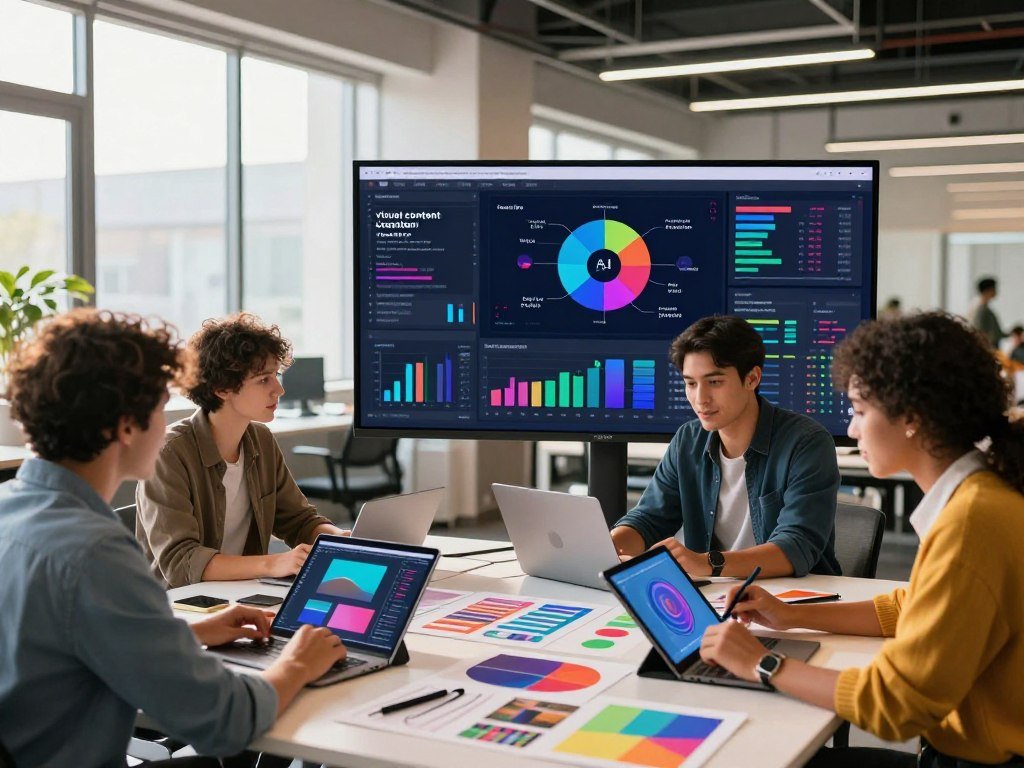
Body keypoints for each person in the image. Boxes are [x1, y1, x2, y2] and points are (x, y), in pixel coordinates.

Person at [0, 309, 347, 768]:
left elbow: (64, 638)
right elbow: (225, 719)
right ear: (127, 426)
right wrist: (300, 662)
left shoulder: (10, 508)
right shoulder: (95, 552)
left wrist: (186, 631)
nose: (168, 424)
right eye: (162, 408)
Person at [699, 312, 1024, 767]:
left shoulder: (972, 522)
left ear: (911, 416)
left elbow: (896, 705)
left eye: (860, 411)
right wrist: (787, 617)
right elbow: (911, 607)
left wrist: (762, 663)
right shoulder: (981, 496)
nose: (851, 430)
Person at [611, 315, 840, 579]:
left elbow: (796, 546)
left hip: (795, 599)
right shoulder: (688, 439)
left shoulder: (806, 443)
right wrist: (609, 548)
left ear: (752, 378)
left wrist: (707, 563)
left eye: (715, 382)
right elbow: (649, 520)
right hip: (716, 596)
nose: (700, 399)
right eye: (691, 383)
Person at [137, 313, 346, 588]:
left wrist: (336, 538)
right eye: (263, 379)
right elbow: (181, 562)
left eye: (276, 375)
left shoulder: (260, 440)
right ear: (222, 388)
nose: (279, 390)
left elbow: (299, 521)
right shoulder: (169, 453)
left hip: (240, 594)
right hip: (180, 607)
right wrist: (274, 563)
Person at [971, 276, 1005, 348]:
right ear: (987, 290)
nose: (996, 291)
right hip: (989, 348)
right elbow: (980, 331)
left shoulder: (984, 308)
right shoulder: (981, 310)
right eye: (994, 289)